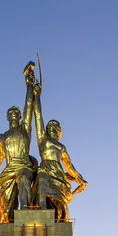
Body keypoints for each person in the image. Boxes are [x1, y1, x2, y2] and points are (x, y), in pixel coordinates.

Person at [0, 63, 37, 223]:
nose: (13, 113)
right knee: (5, 206)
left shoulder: (24, 129)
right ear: (7, 117)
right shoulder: (1, 137)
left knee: (25, 180)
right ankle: (9, 220)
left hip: (24, 167)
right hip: (8, 170)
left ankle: (26, 211)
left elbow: (28, 106)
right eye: (10, 112)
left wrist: (29, 85)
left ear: (20, 117)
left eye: (16, 112)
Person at [32, 82, 87, 221]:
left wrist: (79, 177)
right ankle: (42, 212)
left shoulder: (61, 147)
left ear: (58, 132)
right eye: (50, 125)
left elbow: (69, 166)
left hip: (58, 173)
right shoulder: (42, 139)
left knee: (58, 201)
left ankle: (56, 216)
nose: (51, 126)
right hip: (45, 168)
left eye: (54, 126)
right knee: (41, 183)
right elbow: (38, 116)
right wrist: (36, 96)